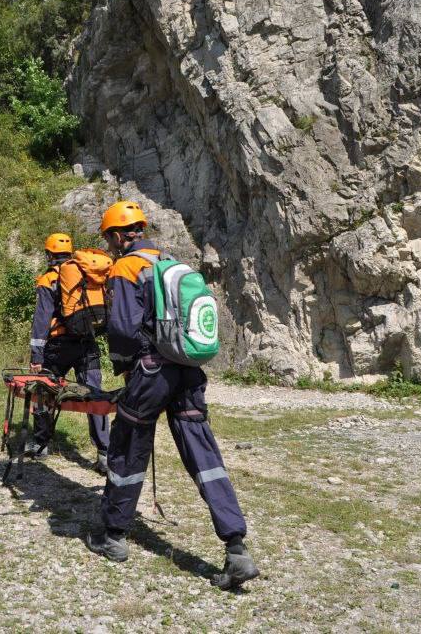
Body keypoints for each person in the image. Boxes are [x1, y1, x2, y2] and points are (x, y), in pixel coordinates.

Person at [85, 201, 259, 590]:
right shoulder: (169, 261)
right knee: (204, 453)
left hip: (151, 372)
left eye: (110, 238)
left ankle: (113, 536)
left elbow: (125, 329)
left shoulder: (127, 268)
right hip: (188, 370)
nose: (111, 245)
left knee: (128, 445)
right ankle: (236, 547)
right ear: (141, 230)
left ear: (116, 236)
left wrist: (126, 368)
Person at [28, 233, 110, 474]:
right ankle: (104, 452)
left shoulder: (48, 279)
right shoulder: (87, 273)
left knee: (43, 390)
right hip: (88, 342)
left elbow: (41, 320)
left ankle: (41, 444)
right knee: (94, 395)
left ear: (48, 254)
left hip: (58, 346)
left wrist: (36, 356)